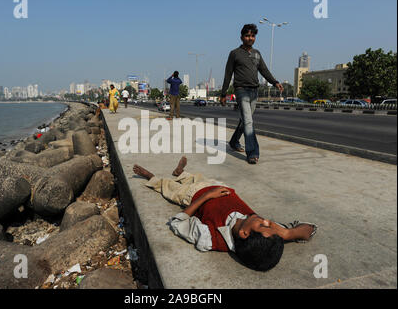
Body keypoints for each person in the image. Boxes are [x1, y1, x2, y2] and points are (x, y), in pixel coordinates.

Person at [133, 157, 317, 272]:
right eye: (271, 225)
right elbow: (309, 229)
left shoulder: (211, 238)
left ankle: (152, 177)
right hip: (216, 185)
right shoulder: (267, 234)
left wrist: (205, 197)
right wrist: (287, 233)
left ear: (244, 234)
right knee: (196, 177)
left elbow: (177, 222)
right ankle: (181, 172)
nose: (267, 221)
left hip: (193, 196)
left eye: (263, 225)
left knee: (170, 188)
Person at [220, 24, 284, 165]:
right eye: (247, 36)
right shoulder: (235, 53)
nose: (250, 38)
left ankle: (234, 141)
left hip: (254, 91)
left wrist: (275, 82)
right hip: (241, 90)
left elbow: (264, 70)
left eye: (253, 36)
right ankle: (253, 153)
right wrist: (223, 93)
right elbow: (228, 74)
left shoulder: (257, 53)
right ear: (242, 37)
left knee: (245, 121)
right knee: (249, 121)